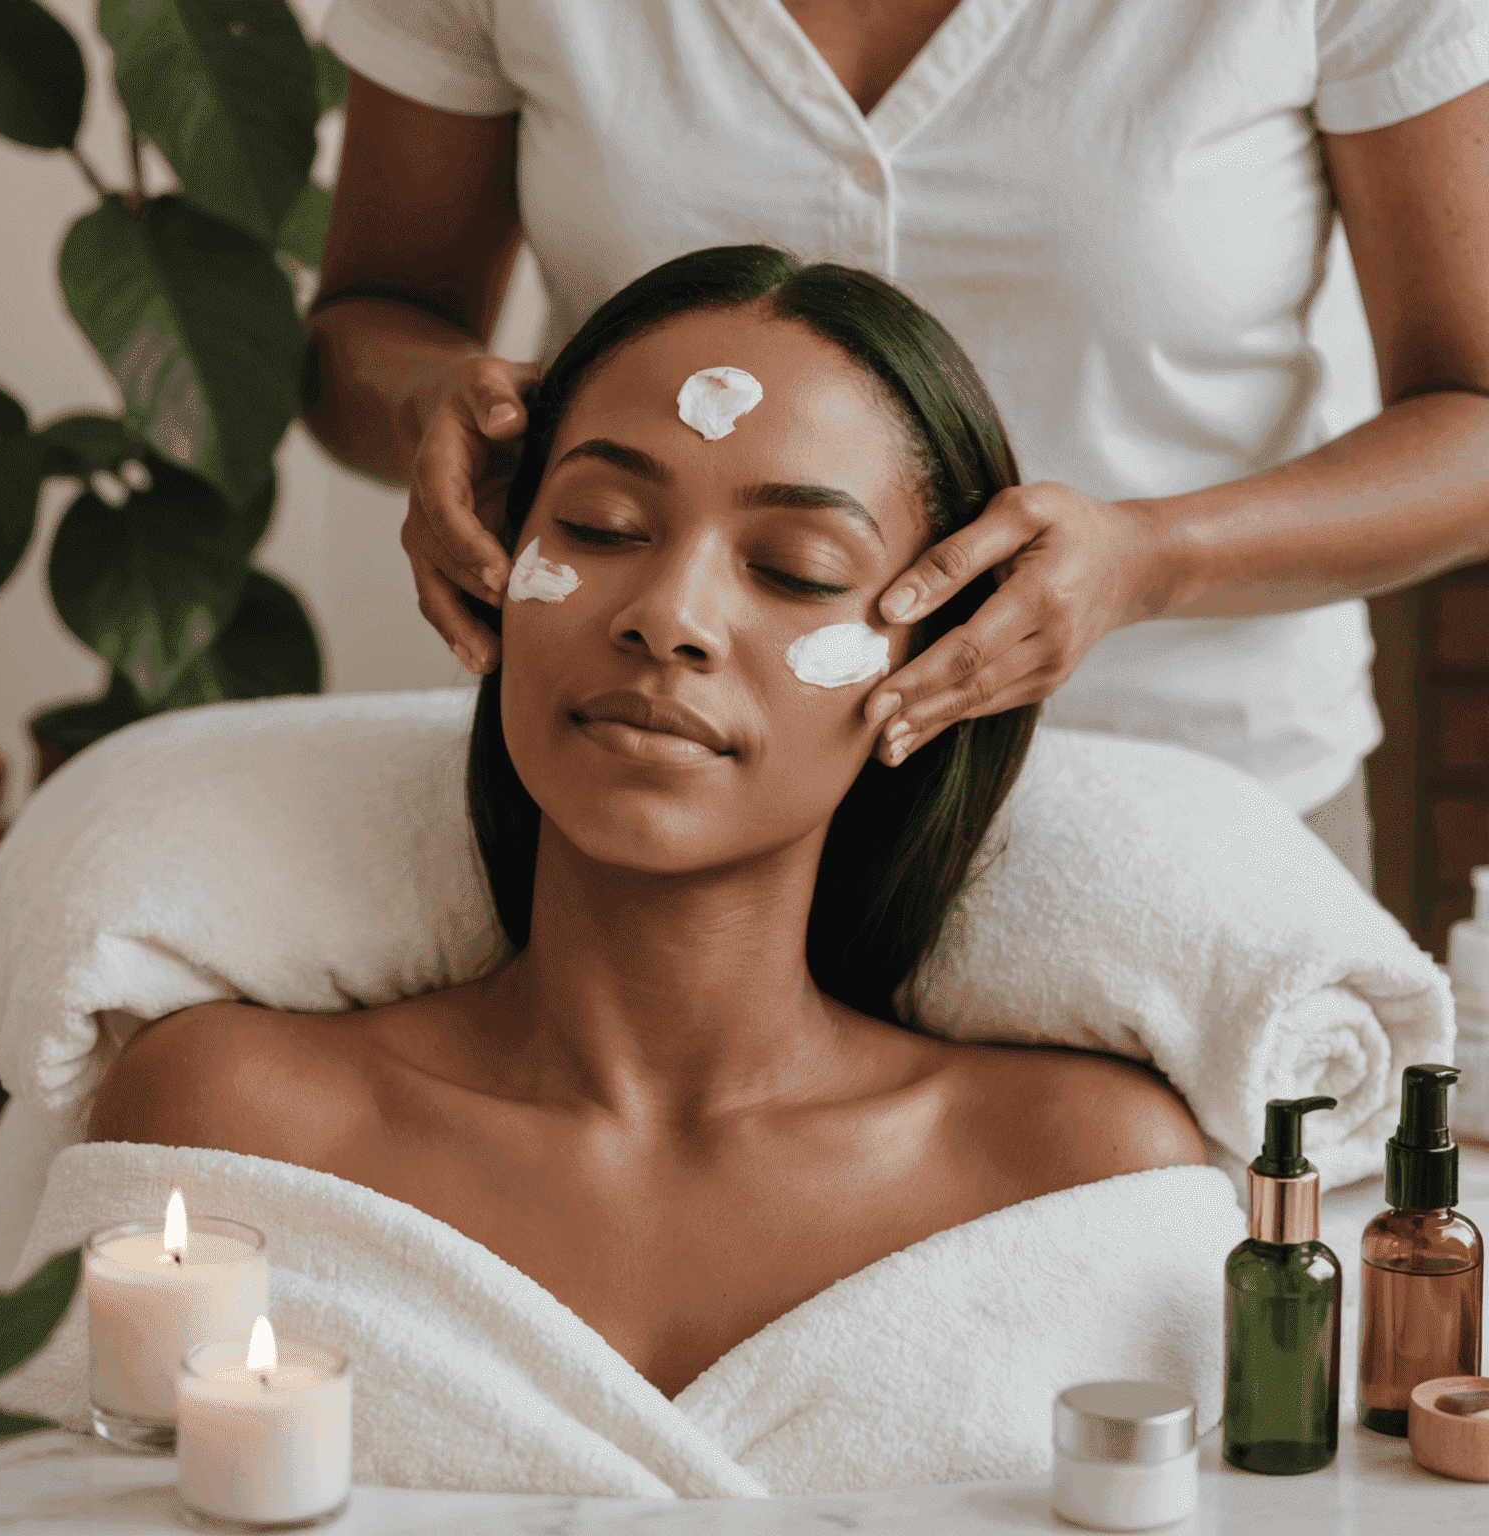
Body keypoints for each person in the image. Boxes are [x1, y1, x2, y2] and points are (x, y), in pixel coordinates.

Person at [88, 249, 1204, 1401]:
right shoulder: (231, 1124)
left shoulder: (1074, 1170)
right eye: (603, 525)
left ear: (944, 664)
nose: (670, 615)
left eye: (797, 568)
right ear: (492, 570)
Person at [302, 0, 1489, 897]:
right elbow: (368, 323)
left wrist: (1150, 557)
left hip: (1183, 812)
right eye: (608, 528)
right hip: (650, 812)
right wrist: (436, 410)